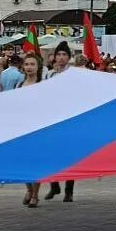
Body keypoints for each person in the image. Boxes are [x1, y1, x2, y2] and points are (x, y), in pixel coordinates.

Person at [43, 44, 76, 202]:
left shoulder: (74, 74)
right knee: (51, 153)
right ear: (54, 57)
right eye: (59, 54)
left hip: (69, 118)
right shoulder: (49, 75)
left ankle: (69, 190)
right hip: (52, 118)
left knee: (70, 156)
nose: (61, 57)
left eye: (64, 54)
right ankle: (53, 185)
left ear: (69, 57)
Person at [19, 54, 44, 207]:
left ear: (38, 67)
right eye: (27, 64)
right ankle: (28, 189)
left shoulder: (43, 85)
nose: (29, 67)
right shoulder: (19, 85)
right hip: (22, 128)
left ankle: (35, 194)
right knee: (24, 163)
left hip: (38, 128)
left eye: (32, 64)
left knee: (36, 163)